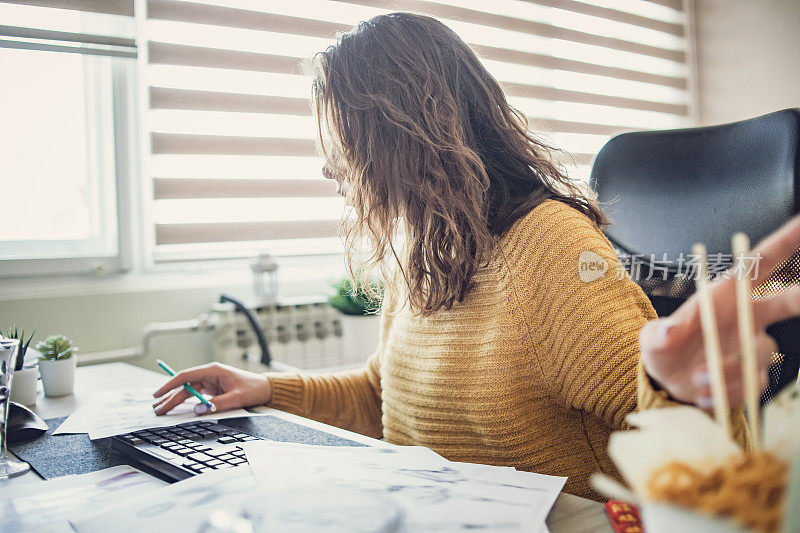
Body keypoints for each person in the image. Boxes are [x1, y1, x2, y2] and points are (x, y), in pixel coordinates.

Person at [153, 13, 800, 499]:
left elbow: (705, 464)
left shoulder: (549, 249)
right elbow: (387, 394)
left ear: (401, 135)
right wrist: (266, 388)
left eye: (342, 141)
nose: (331, 168)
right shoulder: (427, 249)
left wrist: (682, 392)